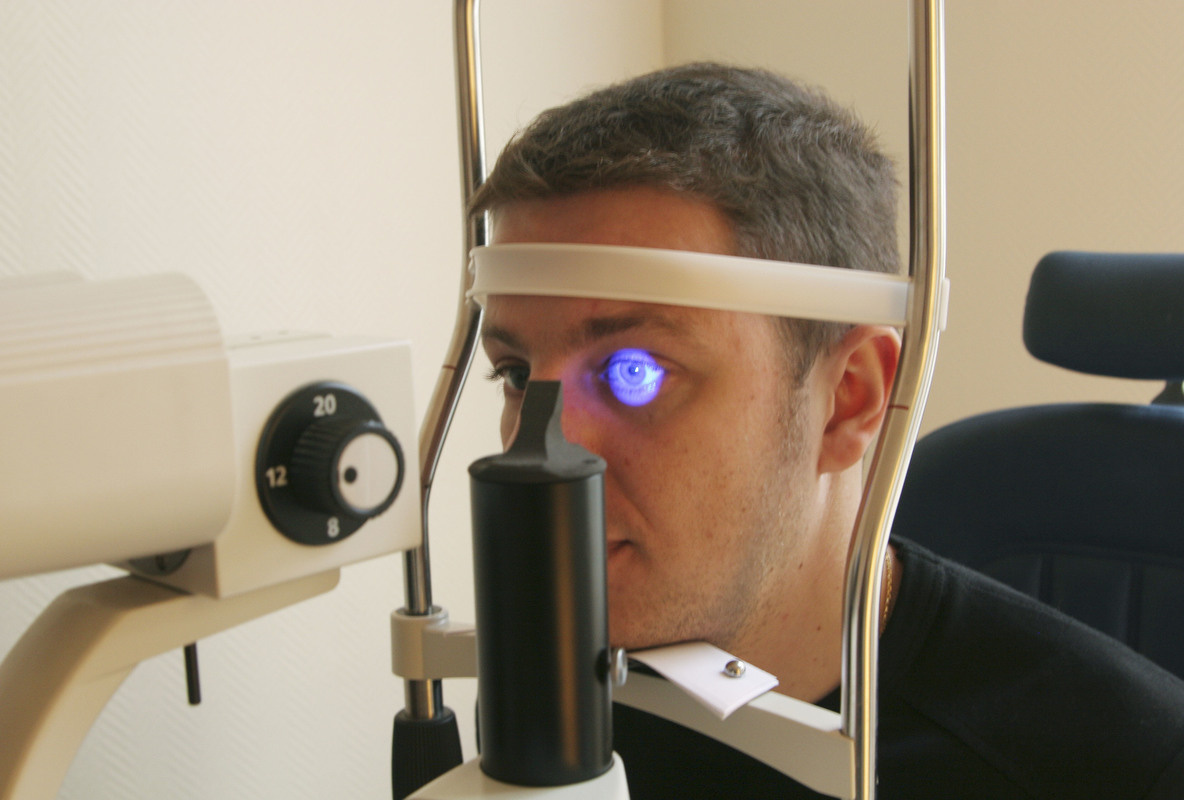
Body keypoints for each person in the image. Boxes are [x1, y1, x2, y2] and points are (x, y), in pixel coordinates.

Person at [468, 63, 1184, 799]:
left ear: (848, 399)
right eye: (518, 374)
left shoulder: (1126, 770)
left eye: (634, 373)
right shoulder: (552, 698)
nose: (538, 458)